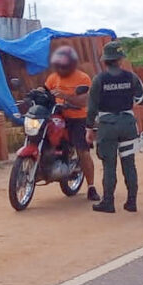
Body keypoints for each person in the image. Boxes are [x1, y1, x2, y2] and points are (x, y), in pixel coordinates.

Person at [86, 41, 143, 213]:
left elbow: (91, 108)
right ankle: (132, 202)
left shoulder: (99, 80)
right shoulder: (131, 77)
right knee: (129, 163)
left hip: (107, 126)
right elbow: (142, 99)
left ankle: (108, 202)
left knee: (109, 165)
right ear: (121, 60)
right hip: (128, 125)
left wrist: (89, 129)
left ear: (105, 61)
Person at [45, 46, 100, 201]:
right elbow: (45, 91)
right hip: (57, 116)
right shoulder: (53, 78)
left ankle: (91, 187)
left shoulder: (83, 78)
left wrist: (65, 96)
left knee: (83, 151)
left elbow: (84, 100)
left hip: (77, 118)